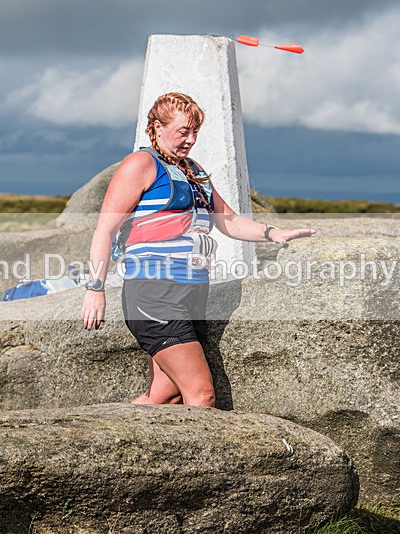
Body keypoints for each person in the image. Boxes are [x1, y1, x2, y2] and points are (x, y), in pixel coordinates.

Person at [81, 92, 315, 408]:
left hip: (191, 293)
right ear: (157, 127)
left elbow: (228, 220)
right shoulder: (140, 164)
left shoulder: (193, 170)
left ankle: (104, 436)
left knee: (167, 394)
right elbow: (104, 229)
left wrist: (274, 233)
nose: (190, 140)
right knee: (201, 394)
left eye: (194, 132)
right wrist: (95, 288)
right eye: (183, 132)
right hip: (155, 293)